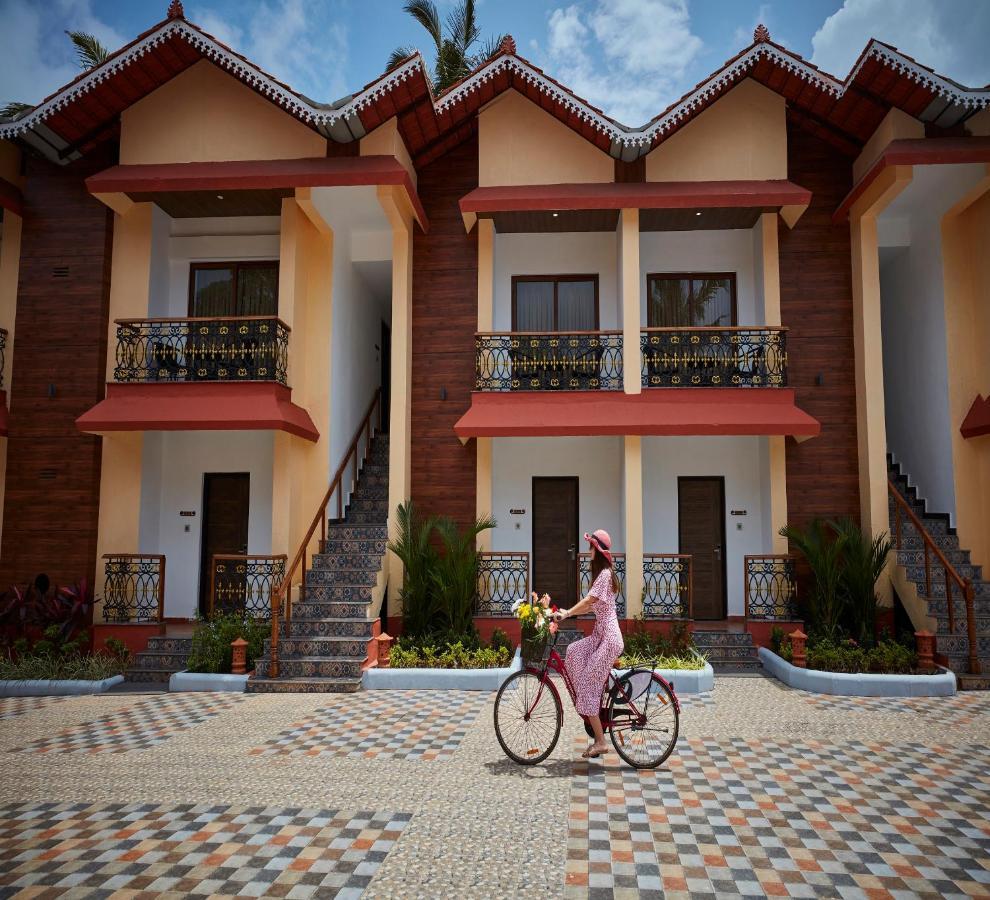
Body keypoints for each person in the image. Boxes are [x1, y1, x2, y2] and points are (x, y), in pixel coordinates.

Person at [553, 529, 624, 759]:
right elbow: (588, 606)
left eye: (591, 547)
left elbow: (588, 602)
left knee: (586, 685)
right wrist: (569, 613)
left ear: (599, 551)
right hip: (600, 635)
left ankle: (601, 741)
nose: (588, 551)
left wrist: (566, 614)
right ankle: (588, 703)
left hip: (609, 639)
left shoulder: (604, 574)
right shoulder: (602, 575)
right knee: (573, 650)